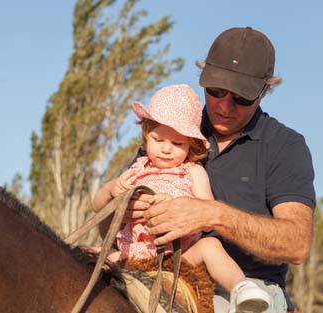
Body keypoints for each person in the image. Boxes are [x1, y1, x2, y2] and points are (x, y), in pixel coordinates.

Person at [127, 27, 315, 313]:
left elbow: (297, 244)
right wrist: (127, 209)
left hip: (245, 290)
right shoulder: (172, 131)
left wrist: (211, 213)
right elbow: (109, 224)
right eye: (215, 91)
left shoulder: (285, 146)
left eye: (241, 97)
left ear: (265, 91)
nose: (225, 106)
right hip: (158, 276)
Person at [93, 84, 271, 313]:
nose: (166, 149)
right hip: (132, 254)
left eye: (177, 144)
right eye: (159, 140)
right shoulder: (136, 170)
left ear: (191, 145)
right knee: (88, 254)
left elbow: (208, 209)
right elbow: (98, 206)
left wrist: (177, 205)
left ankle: (241, 288)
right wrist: (111, 191)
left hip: (178, 255)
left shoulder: (192, 172)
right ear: (146, 135)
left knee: (211, 246)